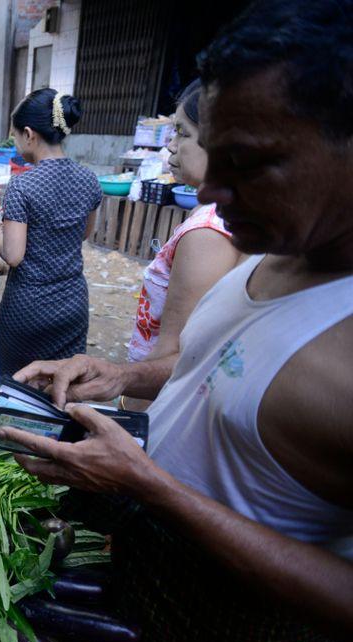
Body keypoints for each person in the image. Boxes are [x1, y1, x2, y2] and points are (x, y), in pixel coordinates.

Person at [0, 1, 353, 642]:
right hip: (142, 576)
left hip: (229, 632)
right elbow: (222, 363)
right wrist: (123, 375)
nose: (213, 190)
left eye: (248, 161)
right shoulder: (280, 246)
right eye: (214, 155)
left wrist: (150, 484)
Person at [124, 79, 241, 408]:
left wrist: (128, 409)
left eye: (182, 133)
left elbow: (176, 351)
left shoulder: (206, 232)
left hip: (160, 401)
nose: (170, 147)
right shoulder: (217, 215)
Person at [0, 88, 102, 376]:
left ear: (29, 134)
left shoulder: (22, 185)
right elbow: (84, 233)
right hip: (72, 305)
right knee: (62, 385)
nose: (16, 143)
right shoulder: (89, 179)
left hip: (28, 309)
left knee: (19, 388)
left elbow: (13, 255)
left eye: (15, 136)